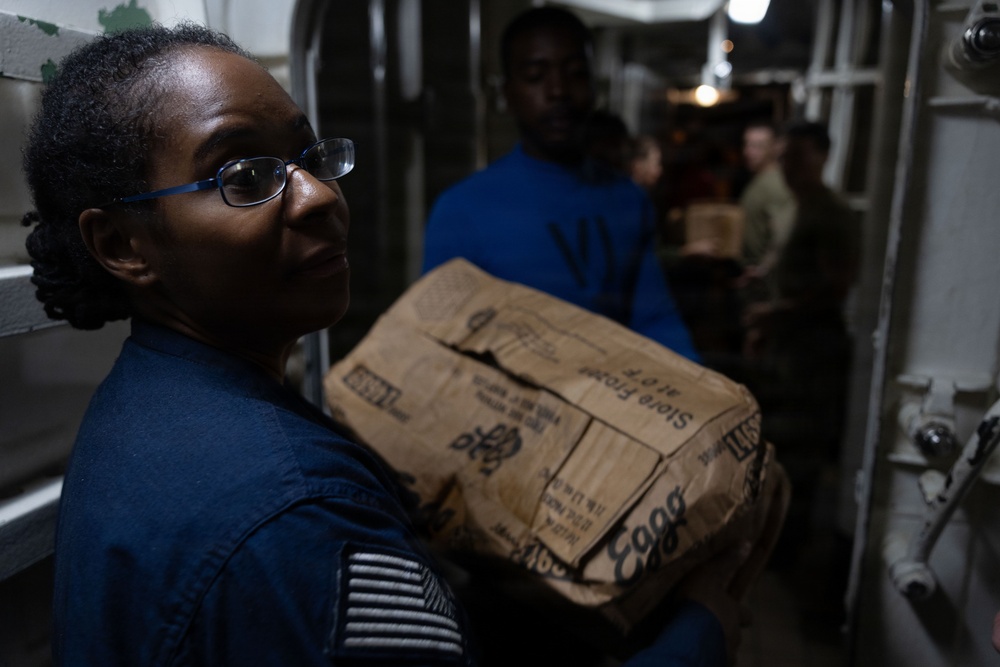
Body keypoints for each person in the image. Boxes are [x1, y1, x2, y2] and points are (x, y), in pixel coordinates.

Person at [22, 22, 752, 666]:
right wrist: (700, 635)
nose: (319, 195)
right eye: (244, 175)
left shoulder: (138, 406)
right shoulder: (300, 520)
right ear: (122, 244)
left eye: (308, 156)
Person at [421, 7, 699, 362]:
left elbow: (653, 317)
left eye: (576, 73)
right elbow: (436, 344)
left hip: (611, 391)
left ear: (594, 85)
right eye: (536, 76)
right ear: (508, 93)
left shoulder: (628, 199)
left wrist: (702, 386)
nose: (558, 91)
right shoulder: (462, 210)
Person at [742, 121, 861, 571]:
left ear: (823, 157)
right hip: (788, 345)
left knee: (800, 455)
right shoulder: (798, 206)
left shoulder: (831, 213)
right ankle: (772, 541)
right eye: (783, 158)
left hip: (813, 349)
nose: (787, 167)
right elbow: (786, 261)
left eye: (797, 157)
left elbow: (837, 286)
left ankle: (788, 551)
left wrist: (778, 313)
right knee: (777, 445)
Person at [737, 121, 795, 273]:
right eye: (747, 144)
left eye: (757, 146)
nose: (748, 151)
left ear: (777, 147)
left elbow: (782, 239)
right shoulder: (759, 180)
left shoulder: (777, 185)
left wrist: (762, 272)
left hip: (763, 278)